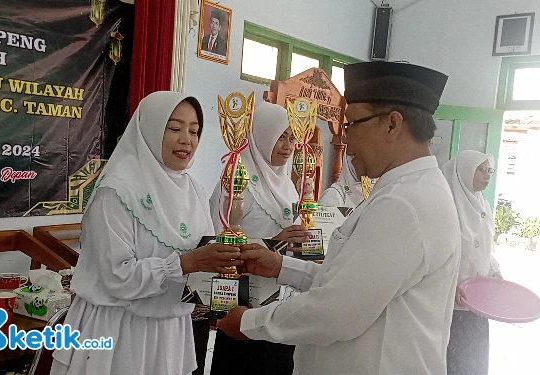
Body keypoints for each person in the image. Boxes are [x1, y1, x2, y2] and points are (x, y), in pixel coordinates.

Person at [217, 61, 462, 375]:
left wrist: (248, 323)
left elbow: (338, 311)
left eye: (352, 125)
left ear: (392, 124)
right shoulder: (410, 191)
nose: (346, 144)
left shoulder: (404, 204)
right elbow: (349, 284)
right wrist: (282, 266)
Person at [50, 91, 243, 375]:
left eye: (194, 131)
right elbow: (118, 276)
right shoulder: (117, 190)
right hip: (118, 330)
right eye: (174, 128)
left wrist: (228, 264)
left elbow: (203, 255)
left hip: (171, 330)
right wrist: (185, 263)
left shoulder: (193, 190)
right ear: (149, 128)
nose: (186, 139)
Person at [209, 101, 310, 375]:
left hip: (282, 297)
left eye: (291, 137)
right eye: (280, 136)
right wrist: (274, 241)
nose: (287, 145)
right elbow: (217, 241)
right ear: (262, 134)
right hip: (244, 301)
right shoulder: (237, 179)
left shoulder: (287, 184)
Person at [441, 150, 501, 375]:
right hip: (450, 303)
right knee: (450, 361)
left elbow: (489, 248)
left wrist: (494, 271)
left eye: (490, 171)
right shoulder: (447, 206)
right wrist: (448, 284)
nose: (487, 176)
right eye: (481, 170)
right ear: (464, 171)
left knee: (473, 361)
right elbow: (439, 254)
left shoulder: (483, 206)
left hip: (478, 304)